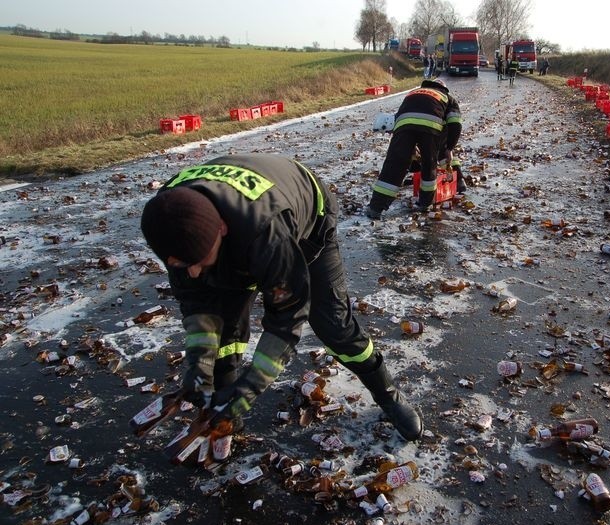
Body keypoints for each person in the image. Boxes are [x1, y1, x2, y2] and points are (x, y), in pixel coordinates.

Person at [139, 153, 424, 442]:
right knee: (224, 330)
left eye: (199, 260)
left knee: (334, 327)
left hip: (306, 222)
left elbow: (286, 319)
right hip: (234, 228)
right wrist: (198, 365)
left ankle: (387, 394)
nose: (195, 272)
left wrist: (251, 386)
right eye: (181, 265)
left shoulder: (267, 233)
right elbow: (196, 301)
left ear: (222, 230)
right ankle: (223, 420)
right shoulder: (169, 219)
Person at [365, 78, 462, 219]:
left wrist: (409, 150)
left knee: (394, 165)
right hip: (431, 128)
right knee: (429, 166)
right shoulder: (447, 97)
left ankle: (375, 208)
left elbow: (402, 116)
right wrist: (449, 148)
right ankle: (424, 203)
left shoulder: (413, 93)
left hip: (404, 127)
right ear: (444, 88)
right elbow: (455, 124)